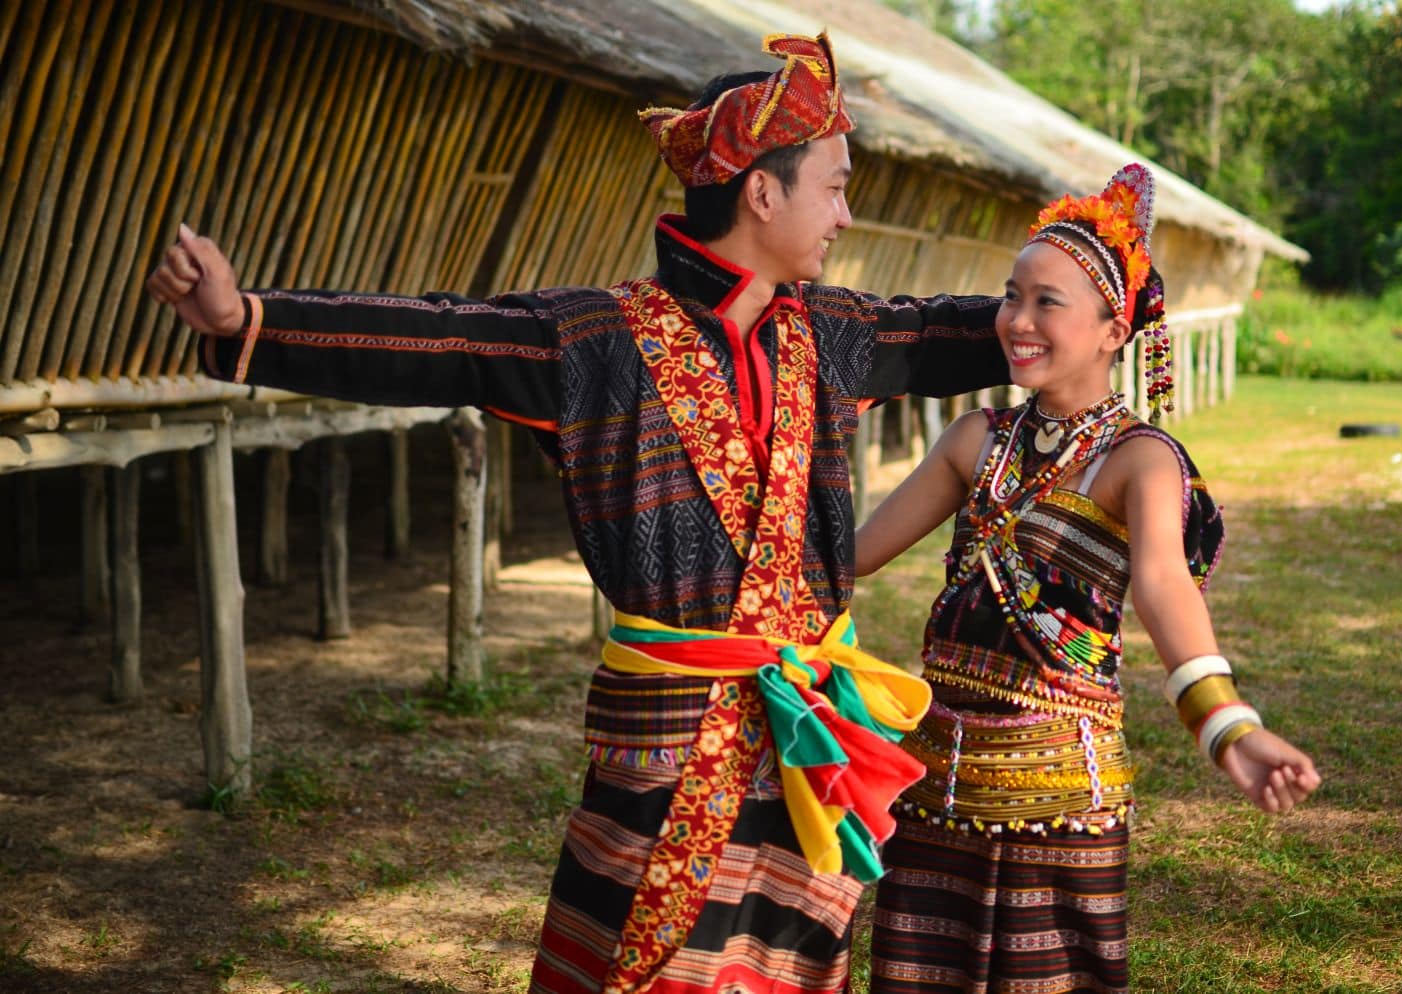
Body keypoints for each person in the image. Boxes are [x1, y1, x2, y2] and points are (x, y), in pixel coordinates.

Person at [147, 33, 1012, 994]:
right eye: (835, 187)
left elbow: (951, 331)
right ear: (763, 194)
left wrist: (1097, 298)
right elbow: (440, 339)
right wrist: (249, 324)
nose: (847, 215)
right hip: (673, 733)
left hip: (811, 723)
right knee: (641, 959)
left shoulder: (832, 334)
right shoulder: (597, 340)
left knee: (792, 954)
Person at [853, 163, 1322, 994]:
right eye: (1010, 295)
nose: (1016, 320)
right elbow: (849, 559)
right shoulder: (975, 441)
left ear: (1114, 330)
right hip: (933, 791)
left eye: (1047, 302)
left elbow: (1164, 587)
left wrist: (1228, 727)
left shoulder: (1139, 462)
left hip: (1060, 796)